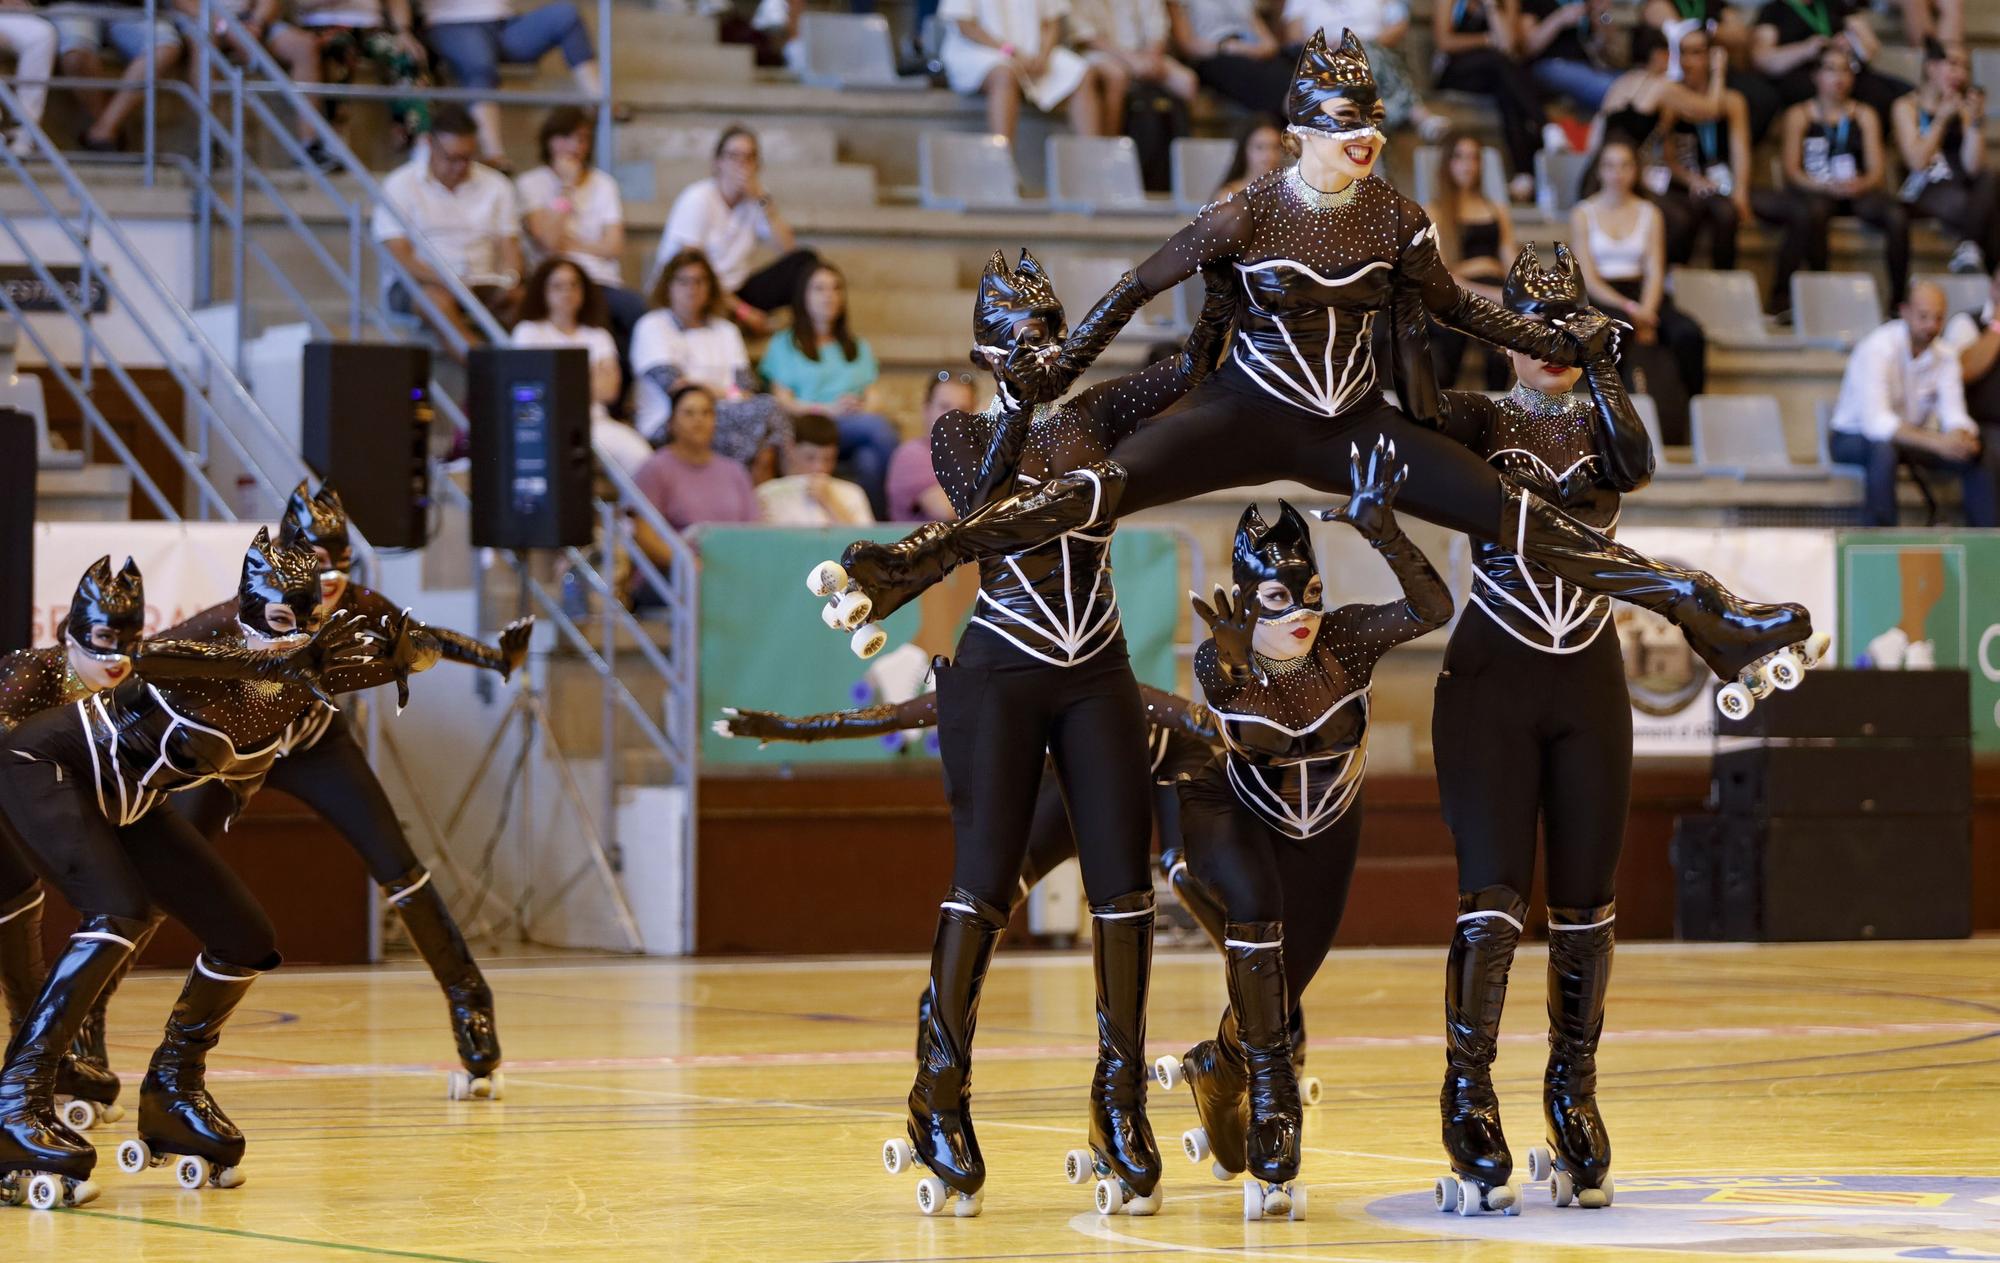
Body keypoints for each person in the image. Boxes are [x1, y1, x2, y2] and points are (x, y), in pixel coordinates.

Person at [808, 33, 1822, 722]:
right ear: (1300, 129)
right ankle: (916, 560)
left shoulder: (1393, 213)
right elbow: (1129, 288)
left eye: (1371, 123)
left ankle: (1705, 613)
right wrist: (1058, 368)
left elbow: (1458, 310)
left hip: (1351, 426)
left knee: (1515, 513)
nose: (1365, 139)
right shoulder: (1244, 212)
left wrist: (1564, 339)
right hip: (1244, 412)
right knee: (1084, 495)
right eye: (1345, 125)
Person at [861, 249, 1231, 1220]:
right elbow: (979, 512)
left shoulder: (1093, 415)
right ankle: (936, 1097)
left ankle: (1117, 1105)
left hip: (1093, 667)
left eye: (1046, 328)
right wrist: (1019, 405)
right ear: (984, 346)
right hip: (999, 672)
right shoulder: (958, 428)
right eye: (1017, 332)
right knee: (985, 877)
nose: (1035, 345)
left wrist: (1223, 274)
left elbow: (1188, 365)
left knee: (1121, 882)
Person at [0, 531, 431, 1209]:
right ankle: (16, 1100)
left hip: (125, 799)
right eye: (283, 622)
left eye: (309, 621)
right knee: (120, 911)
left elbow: (416, 650)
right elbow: (157, 654)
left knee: (245, 934)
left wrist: (437, 651)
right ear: (249, 610)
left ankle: (173, 1087)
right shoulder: (205, 653)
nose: (297, 638)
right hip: (46, 765)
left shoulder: (297, 675)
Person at [155, 484, 529, 1103]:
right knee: (163, 870)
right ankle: (86, 1030)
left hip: (315, 745)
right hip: (234, 751)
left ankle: (472, 1006)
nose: (329, 580)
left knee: (400, 868)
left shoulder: (358, 604)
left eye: (342, 564)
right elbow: (151, 657)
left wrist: (495, 658)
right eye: (316, 566)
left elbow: (422, 637)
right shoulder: (230, 617)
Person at [1166, 456, 1451, 1219]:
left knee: (1282, 994)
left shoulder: (1350, 639)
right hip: (1236, 809)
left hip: (1330, 823)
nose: (1300, 611)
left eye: (1312, 593)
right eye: (1278, 597)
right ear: (1247, 598)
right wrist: (1227, 665)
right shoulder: (1217, 651)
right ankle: (1270, 1104)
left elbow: (1433, 606)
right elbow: (1223, 687)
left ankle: (1216, 1064)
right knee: (1257, 916)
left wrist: (1384, 533)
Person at [1427, 244, 1649, 1216]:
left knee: (1586, 901)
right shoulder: (1480, 415)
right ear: (1505, 330)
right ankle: (1468, 1096)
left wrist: (1601, 363)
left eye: (1566, 318)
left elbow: (1633, 464)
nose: (1550, 341)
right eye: (1533, 321)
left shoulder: (1602, 415)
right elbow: (1411, 415)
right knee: (1491, 894)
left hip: (1587, 676)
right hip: (1491, 677)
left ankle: (1573, 1097)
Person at [0, 559, 150, 1134]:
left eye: (129, 643)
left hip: (44, 814)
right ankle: (38, 1065)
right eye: (104, 643)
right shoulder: (30, 674)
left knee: (28, 903)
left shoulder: (139, 686)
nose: (117, 659)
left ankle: (44, 1057)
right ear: (71, 635)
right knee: (16, 897)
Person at [1828, 283, 1996, 527]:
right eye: (1923, 316)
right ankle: (1880, 541)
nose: (1931, 325)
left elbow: (1955, 414)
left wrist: (1962, 436)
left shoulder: (1945, 356)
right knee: (1883, 450)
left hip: (1911, 439)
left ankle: (1987, 543)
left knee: (1978, 451)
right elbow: (1876, 423)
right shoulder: (1878, 348)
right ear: (1905, 311)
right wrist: (1938, 442)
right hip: (1852, 436)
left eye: (1938, 318)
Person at [1571, 140, 1706, 443]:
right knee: (1620, 330)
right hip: (1602, 297)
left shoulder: (1650, 212)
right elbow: (1588, 279)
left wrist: (1648, 309)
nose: (1617, 173)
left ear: (1635, 171)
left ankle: (1694, 417)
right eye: (1609, 165)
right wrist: (1633, 311)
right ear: (1600, 170)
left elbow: (1655, 269)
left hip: (1645, 294)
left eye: (1624, 165)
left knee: (1688, 334)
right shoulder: (1583, 212)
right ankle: (1619, 426)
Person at [1765, 48, 1910, 314]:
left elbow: (1877, 170)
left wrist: (1861, 184)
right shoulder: (1799, 115)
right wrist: (1824, 186)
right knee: (1812, 213)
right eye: (1831, 69)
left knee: (1897, 215)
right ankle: (1805, 293)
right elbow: (1791, 170)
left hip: (1856, 191)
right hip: (1817, 189)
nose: (1839, 77)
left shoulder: (1865, 114)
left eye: (1845, 69)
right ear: (1816, 75)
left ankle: (1899, 299)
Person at [372, 103, 524, 349]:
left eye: (467, 158)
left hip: (481, 281)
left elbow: (510, 249)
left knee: (525, 300)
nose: (460, 167)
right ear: (429, 145)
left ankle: (526, 373)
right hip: (419, 283)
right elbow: (400, 257)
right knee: (437, 299)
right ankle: (483, 368)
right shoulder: (400, 184)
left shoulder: (496, 185)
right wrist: (448, 280)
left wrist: (510, 280)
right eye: (452, 158)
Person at [645, 126, 820, 336]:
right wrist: (745, 312)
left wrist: (763, 202)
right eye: (733, 156)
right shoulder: (698, 198)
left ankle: (806, 340)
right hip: (695, 291)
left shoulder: (758, 199)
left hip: (734, 291)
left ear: (757, 164)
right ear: (718, 162)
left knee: (805, 262)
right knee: (696, 284)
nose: (741, 164)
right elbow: (691, 270)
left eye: (749, 157)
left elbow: (788, 249)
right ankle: (736, 322)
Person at [759, 261, 900, 517]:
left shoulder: (857, 346)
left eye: (836, 289)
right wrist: (828, 409)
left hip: (851, 426)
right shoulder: (784, 344)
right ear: (803, 296)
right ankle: (890, 522)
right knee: (879, 429)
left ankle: (876, 527)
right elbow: (782, 399)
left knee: (868, 460)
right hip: (809, 423)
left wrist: (861, 407)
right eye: (819, 289)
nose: (829, 296)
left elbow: (874, 394)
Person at [632, 248, 790, 470]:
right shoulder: (652, 325)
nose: (692, 289)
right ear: (668, 286)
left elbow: (747, 387)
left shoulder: (726, 330)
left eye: (699, 282)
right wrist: (726, 393)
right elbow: (677, 388)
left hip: (728, 416)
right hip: (670, 420)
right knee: (756, 418)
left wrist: (721, 393)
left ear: (710, 287)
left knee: (770, 409)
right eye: (683, 282)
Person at [516, 107, 648, 361]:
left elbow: (614, 246)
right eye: (566, 137)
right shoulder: (531, 184)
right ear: (549, 140)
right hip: (552, 281)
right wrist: (567, 188)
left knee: (639, 314)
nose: (574, 146)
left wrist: (571, 244)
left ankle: (620, 394)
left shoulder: (604, 183)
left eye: (583, 139)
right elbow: (550, 242)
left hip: (600, 279)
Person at [419, 0, 605, 167]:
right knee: (480, 63)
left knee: (566, 14)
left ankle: (599, 104)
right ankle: (493, 155)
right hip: (450, 23)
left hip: (503, 23)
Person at [510, 258, 651, 475]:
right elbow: (531, 387)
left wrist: (558, 382)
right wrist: (588, 378)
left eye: (574, 285)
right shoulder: (528, 331)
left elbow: (609, 391)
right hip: (545, 424)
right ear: (543, 291)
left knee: (641, 457)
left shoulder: (598, 335)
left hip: (593, 422)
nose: (567, 292)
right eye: (558, 286)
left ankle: (628, 511)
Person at [936, 0, 1119, 146]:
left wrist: (1043, 55)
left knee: (1082, 74)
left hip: (1033, 53)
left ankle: (1094, 163)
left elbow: (1051, 23)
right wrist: (1010, 52)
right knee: (1005, 75)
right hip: (980, 51)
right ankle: (1002, 162)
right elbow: (966, 25)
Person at [1890, 41, 1996, 276]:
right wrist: (1940, 119)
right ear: (1931, 67)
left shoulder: (1964, 108)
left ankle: (1969, 247)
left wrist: (1975, 124)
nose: (1960, 73)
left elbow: (1975, 167)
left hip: (1961, 185)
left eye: (1965, 67)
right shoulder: (1906, 105)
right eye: (1953, 64)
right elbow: (1917, 160)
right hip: (1923, 186)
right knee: (1988, 213)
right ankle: (1982, 267)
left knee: (1990, 176)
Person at [1424, 133, 1516, 390]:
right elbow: (1442, 274)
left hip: (1495, 295)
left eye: (1474, 158)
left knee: (1501, 340)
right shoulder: (1435, 211)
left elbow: (1510, 259)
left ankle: (1497, 410)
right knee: (1451, 337)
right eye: (1459, 157)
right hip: (1456, 294)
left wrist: (1522, 291)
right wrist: (1483, 266)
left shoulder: (1496, 209)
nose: (1468, 165)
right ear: (1447, 163)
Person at [1659, 20, 1754, 268]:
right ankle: (1674, 278)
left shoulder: (1732, 100)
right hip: (1682, 181)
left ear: (1713, 57)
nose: (1689, 61)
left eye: (1697, 52)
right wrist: (1692, 180)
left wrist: (1741, 191)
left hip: (1717, 182)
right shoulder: (1672, 95)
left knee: (1727, 213)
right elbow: (1666, 156)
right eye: (1684, 53)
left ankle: (1725, 282)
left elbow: (1740, 149)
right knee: (1686, 215)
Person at [1430, 0, 1544, 200]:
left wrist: (1492, 7)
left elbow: (1507, 45)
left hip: (1490, 74)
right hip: (1454, 70)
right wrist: (1485, 40)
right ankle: (1544, 126)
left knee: (1506, 88)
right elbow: (1445, 42)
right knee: (1499, 64)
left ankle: (1524, 177)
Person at [1281, 0, 1443, 136]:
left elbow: (1399, 25)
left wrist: (1361, 45)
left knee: (1366, 53)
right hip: (1324, 57)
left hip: (1373, 54)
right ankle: (1415, 113)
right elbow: (1294, 37)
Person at [287, 0, 432, 152]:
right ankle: (334, 139)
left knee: (408, 56)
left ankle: (416, 139)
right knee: (340, 48)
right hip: (323, 26)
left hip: (371, 29)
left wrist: (404, 31)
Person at [53, 0, 185, 153]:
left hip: (133, 8)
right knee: (75, 54)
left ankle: (103, 130)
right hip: (72, 5)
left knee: (165, 47)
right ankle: (106, 129)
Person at [633, 384, 762, 533]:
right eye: (689, 413)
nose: (699, 420)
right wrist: (686, 557)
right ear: (671, 423)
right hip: (681, 555)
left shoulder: (735, 471)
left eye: (706, 413)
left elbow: (754, 528)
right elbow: (644, 533)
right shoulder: (655, 469)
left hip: (734, 555)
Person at [1752, 0, 1909, 119]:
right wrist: (1806, 49)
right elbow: (1763, 60)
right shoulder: (1775, 10)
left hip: (1847, 71)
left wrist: (1853, 42)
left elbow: (1872, 48)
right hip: (1803, 77)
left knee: (1890, 93)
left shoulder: (1834, 4)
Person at [1071, 0, 1201, 133]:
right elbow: (1087, 37)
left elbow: (1158, 28)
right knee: (1117, 76)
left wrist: (1151, 58)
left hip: (1146, 55)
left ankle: (1178, 142)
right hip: (1103, 54)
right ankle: (1111, 144)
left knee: (1187, 81)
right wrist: (1132, 61)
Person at [1168, 0, 1290, 114]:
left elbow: (1270, 44)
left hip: (1252, 51)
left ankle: (1297, 109)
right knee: (1242, 68)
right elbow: (1187, 45)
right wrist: (1226, 48)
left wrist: (1257, 50)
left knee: (1289, 62)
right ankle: (1296, 107)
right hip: (1214, 54)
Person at [757, 412, 876, 526]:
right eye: (810, 458)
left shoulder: (852, 493)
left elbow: (865, 544)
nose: (819, 467)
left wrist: (830, 502)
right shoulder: (767, 495)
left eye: (828, 459)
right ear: (790, 448)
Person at [887, 373, 974, 523]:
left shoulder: (977, 455)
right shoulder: (911, 455)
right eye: (944, 406)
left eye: (963, 409)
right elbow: (947, 510)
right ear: (926, 410)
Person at [1516, 0, 1619, 114]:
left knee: (1634, 83)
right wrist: (1561, 18)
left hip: (1585, 66)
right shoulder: (1536, 3)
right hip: (1550, 65)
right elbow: (1528, 47)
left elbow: (1601, 48)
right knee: (1615, 89)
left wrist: (1603, 17)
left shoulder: (1584, 4)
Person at [1214, 112, 1288, 200]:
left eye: (1275, 147)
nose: (1269, 155)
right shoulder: (1228, 196)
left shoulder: (1288, 193)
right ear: (1244, 150)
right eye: (1259, 147)